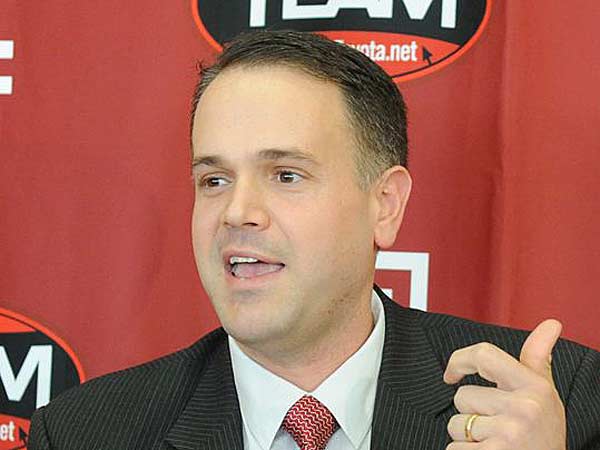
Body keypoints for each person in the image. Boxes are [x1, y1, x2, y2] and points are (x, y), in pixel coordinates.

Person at [29, 30, 600, 450]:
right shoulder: (86, 432)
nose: (237, 213)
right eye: (214, 180)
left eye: (285, 175)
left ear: (385, 204)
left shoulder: (559, 402)